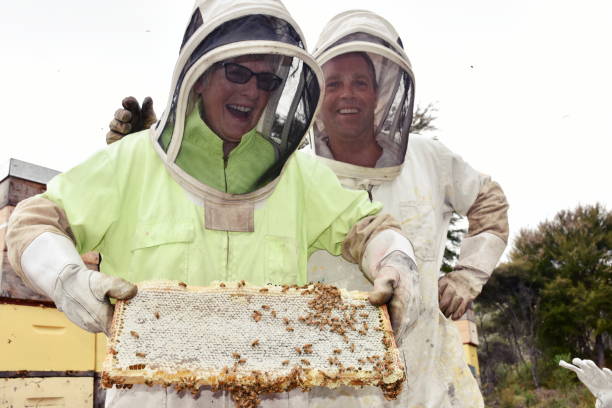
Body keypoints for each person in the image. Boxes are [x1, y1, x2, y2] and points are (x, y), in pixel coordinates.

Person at [6, 1, 420, 407]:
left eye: (267, 80)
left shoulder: (300, 176)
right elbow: (34, 221)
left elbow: (372, 229)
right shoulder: (130, 163)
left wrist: (397, 267)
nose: (251, 91)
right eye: (238, 72)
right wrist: (71, 282)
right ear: (200, 75)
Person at [106, 9, 509, 408]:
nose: (347, 94)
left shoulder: (429, 159)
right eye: (333, 83)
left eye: (360, 82)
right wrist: (167, 149)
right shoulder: (286, 171)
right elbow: (214, 208)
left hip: (427, 377)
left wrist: (467, 276)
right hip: (329, 383)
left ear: (380, 91)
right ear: (316, 94)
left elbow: (489, 202)